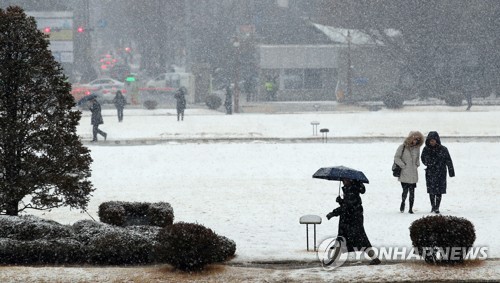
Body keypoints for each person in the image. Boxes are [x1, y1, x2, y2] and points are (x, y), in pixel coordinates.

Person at [326, 178, 381, 265]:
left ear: (351, 180)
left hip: (351, 221)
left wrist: (333, 213)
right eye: (343, 180)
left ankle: (333, 260)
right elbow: (348, 205)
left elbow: (347, 207)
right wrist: (341, 202)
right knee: (360, 241)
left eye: (345, 180)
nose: (343, 182)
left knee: (345, 240)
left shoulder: (352, 191)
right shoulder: (351, 190)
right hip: (352, 220)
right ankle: (374, 258)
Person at [421, 131, 455, 214]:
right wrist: (429, 163)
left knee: (439, 190)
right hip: (430, 172)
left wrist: (451, 172)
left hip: (441, 172)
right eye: (430, 140)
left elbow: (448, 160)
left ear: (437, 140)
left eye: (433, 140)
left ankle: (437, 207)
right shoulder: (426, 149)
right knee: (431, 190)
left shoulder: (443, 149)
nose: (432, 142)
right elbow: (423, 159)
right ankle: (433, 206)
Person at [393, 131, 424, 213]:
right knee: (405, 191)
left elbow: (417, 158)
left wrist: (417, 164)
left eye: (418, 139)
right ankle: (403, 202)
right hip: (404, 172)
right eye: (415, 139)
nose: (416, 141)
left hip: (413, 173)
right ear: (410, 138)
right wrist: (403, 165)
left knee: (412, 192)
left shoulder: (417, 148)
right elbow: (396, 158)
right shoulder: (402, 147)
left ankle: (410, 208)